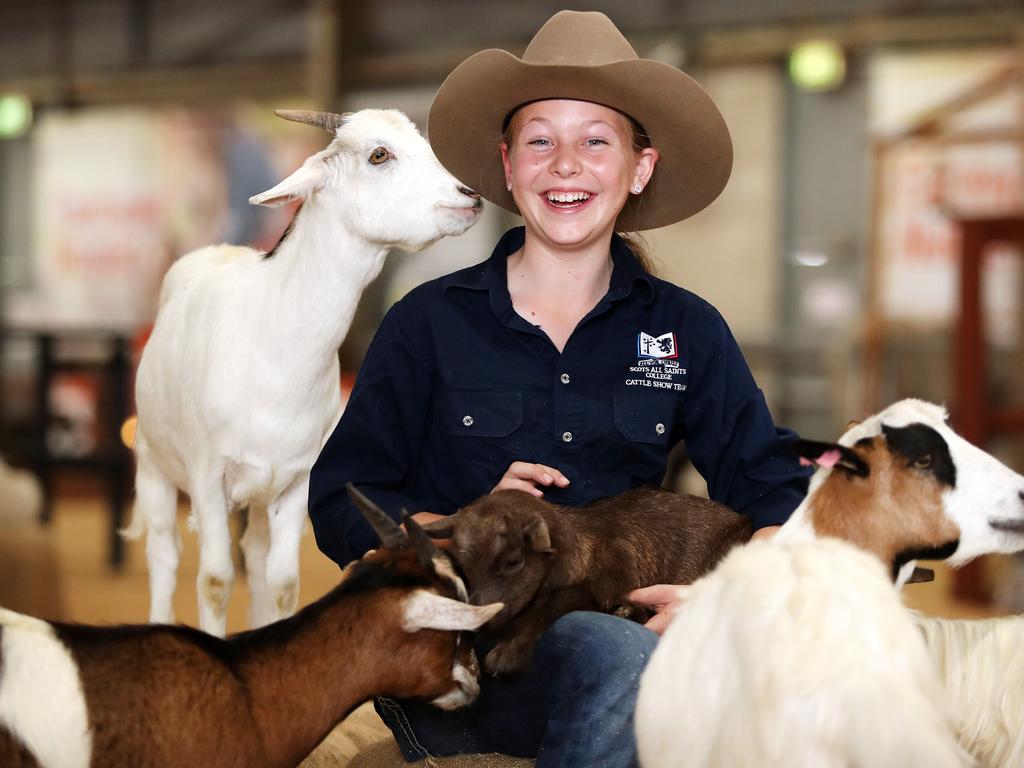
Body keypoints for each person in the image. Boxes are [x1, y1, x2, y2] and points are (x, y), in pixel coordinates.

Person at [308, 10, 809, 767]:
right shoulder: (428, 326)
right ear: (508, 167)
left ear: (639, 169)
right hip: (459, 660)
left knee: (619, 651)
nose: (565, 164)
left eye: (595, 141)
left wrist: (723, 596)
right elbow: (343, 495)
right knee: (622, 661)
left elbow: (778, 491)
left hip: (613, 642)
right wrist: (465, 522)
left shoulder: (686, 331)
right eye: (540, 140)